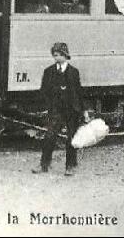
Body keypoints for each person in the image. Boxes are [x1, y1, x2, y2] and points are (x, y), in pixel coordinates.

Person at [33, 42, 88, 176]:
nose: (55, 58)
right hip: (56, 110)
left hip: (71, 110)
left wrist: (84, 110)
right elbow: (43, 91)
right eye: (54, 55)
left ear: (65, 55)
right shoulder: (49, 72)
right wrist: (49, 105)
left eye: (58, 55)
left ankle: (70, 166)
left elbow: (79, 92)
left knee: (71, 139)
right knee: (50, 136)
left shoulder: (74, 72)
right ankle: (44, 165)